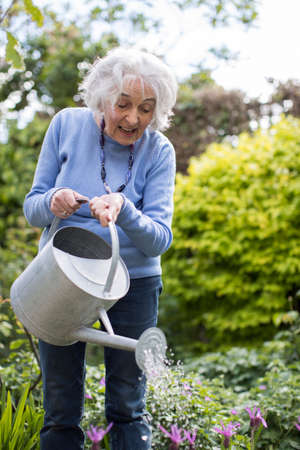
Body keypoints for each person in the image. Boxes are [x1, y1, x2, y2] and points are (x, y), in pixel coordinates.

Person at [23, 46, 177, 450]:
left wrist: (124, 209)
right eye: (123, 104)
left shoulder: (159, 151)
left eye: (146, 108)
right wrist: (53, 198)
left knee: (128, 406)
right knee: (60, 410)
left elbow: (159, 237)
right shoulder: (66, 125)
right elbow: (33, 208)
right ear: (101, 98)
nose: (133, 118)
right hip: (63, 277)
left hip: (135, 284)